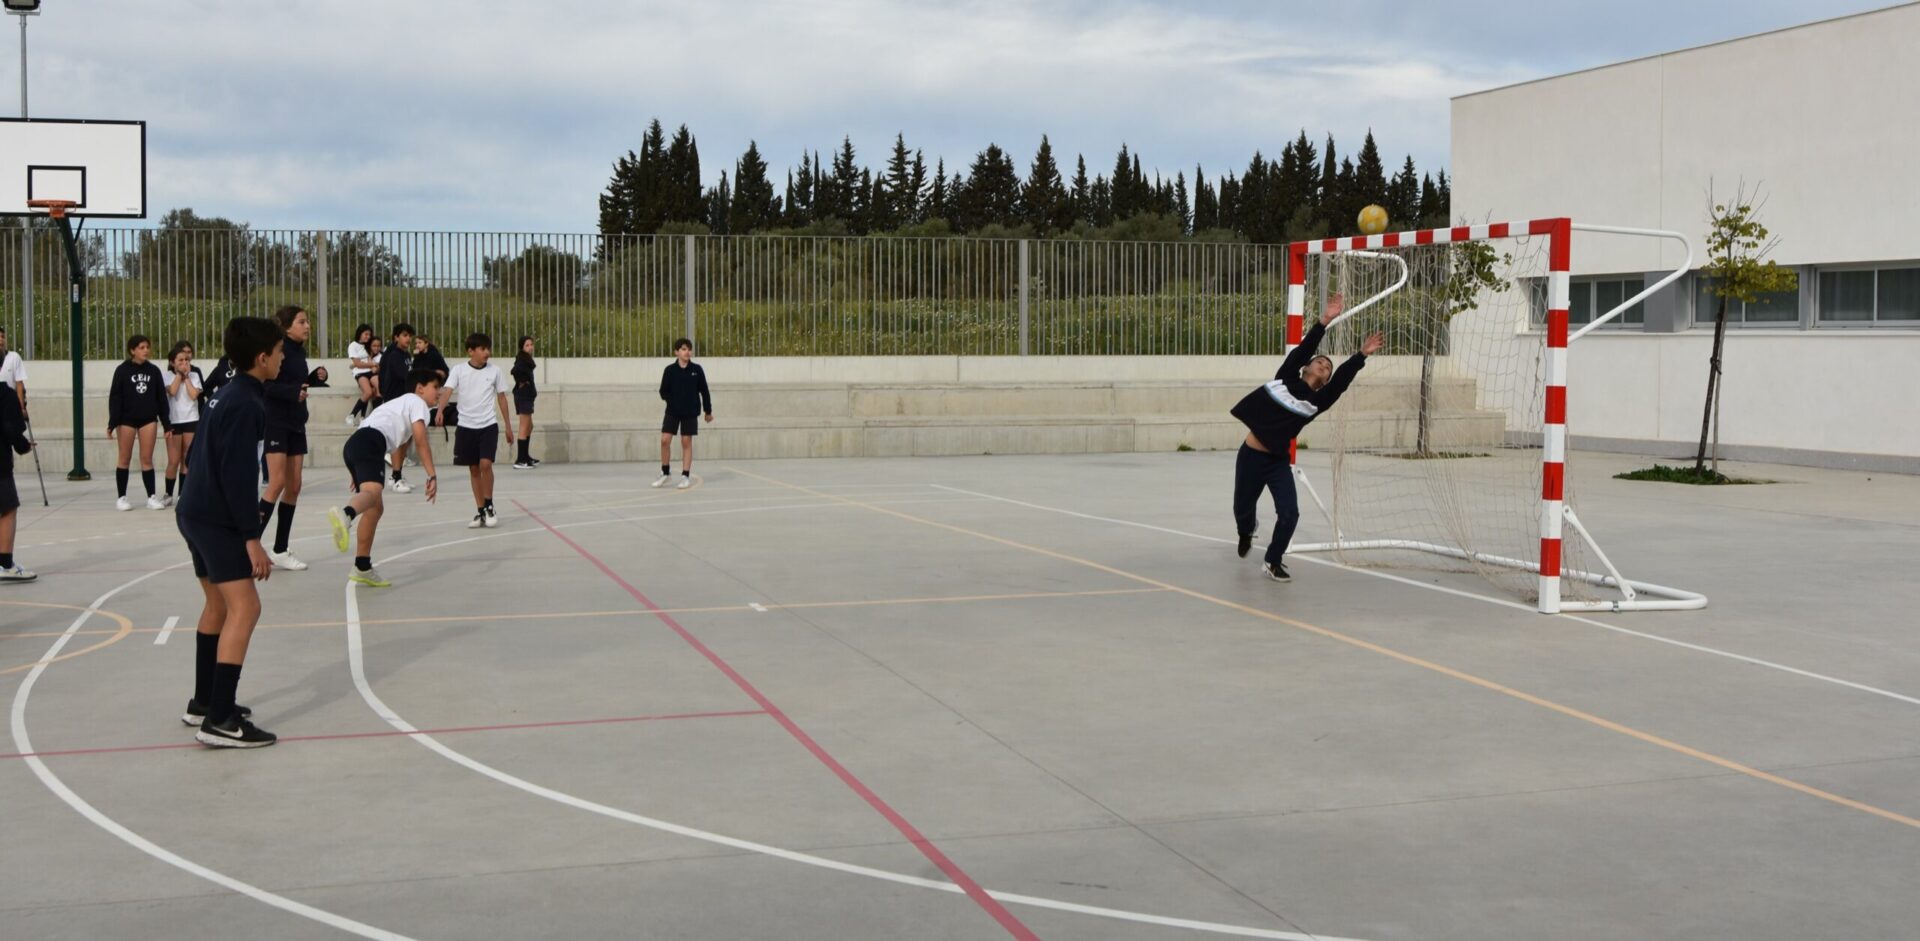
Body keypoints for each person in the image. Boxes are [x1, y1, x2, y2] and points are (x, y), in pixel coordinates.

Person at [176, 316, 283, 747]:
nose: (281, 359)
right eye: (278, 353)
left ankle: (204, 701)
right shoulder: (246, 404)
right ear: (262, 358)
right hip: (216, 518)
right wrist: (251, 537)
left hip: (194, 510)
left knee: (218, 607)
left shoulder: (226, 393)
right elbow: (238, 476)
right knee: (246, 608)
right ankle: (220, 720)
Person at [1228, 294, 1383, 582]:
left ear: (1324, 378)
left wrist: (1361, 355)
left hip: (1276, 462)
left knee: (1290, 514)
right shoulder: (1286, 377)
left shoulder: (1317, 402)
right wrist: (1325, 320)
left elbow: (1341, 383)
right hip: (1250, 455)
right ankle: (1245, 531)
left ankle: (1273, 560)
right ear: (1306, 368)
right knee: (1242, 508)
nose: (1324, 365)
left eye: (1328, 367)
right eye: (1320, 362)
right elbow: (1303, 349)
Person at [328, 369, 441, 588]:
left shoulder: (399, 405)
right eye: (435, 387)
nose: (439, 392)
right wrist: (432, 474)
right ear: (420, 388)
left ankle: (362, 566)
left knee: (374, 508)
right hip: (371, 443)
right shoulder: (417, 404)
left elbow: (398, 443)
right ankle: (346, 514)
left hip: (355, 445)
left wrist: (357, 474)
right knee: (372, 494)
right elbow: (420, 440)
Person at [438, 333, 513, 529]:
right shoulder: (459, 370)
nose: (487, 352)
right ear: (471, 351)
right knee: (473, 468)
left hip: (488, 425)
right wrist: (438, 411)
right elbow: (447, 391)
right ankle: (480, 511)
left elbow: (502, 398)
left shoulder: (495, 371)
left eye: (488, 348)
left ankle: (489, 505)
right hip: (466, 426)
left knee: (485, 464)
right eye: (482, 349)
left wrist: (508, 426)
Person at [261, 305, 314, 572]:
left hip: (296, 424)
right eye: (302, 321)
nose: (307, 326)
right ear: (286, 326)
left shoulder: (300, 351)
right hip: (276, 422)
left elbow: (295, 384)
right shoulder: (276, 350)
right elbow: (266, 386)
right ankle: (249, 545)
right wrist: (293, 393)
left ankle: (280, 549)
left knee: (294, 486)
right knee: (277, 483)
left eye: (308, 321)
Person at [108, 335, 171, 511]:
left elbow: (161, 399)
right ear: (132, 350)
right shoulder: (122, 370)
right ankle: (121, 497)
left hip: (148, 419)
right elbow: (115, 397)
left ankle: (151, 496)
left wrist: (167, 424)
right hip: (126, 420)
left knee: (146, 459)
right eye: (141, 347)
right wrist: (112, 423)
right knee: (124, 458)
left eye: (147, 347)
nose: (146, 350)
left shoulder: (154, 371)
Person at [654, 338, 712, 490]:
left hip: (690, 412)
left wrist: (708, 411)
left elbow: (704, 391)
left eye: (689, 349)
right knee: (664, 440)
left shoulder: (697, 370)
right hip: (672, 411)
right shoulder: (669, 370)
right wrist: (672, 401)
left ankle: (685, 476)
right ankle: (665, 473)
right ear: (677, 352)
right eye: (684, 349)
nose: (688, 352)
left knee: (686, 442)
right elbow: (663, 391)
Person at [0, 374, 33, 582]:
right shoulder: (6, 395)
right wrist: (24, 446)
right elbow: (11, 429)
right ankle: (5, 564)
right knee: (8, 509)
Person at [162, 342, 204, 506]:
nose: (184, 363)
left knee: (187, 459)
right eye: (180, 360)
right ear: (172, 362)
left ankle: (183, 494)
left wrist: (186, 378)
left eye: (187, 360)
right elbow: (172, 391)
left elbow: (194, 395)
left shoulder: (194, 376)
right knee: (173, 460)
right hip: (174, 421)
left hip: (191, 420)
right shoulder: (167, 376)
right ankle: (168, 493)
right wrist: (179, 375)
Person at [377, 323, 417, 492]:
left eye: (410, 336)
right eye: (405, 335)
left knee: (406, 439)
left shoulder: (405, 354)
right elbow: (405, 376)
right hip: (395, 401)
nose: (408, 339)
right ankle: (396, 477)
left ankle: (396, 475)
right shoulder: (393, 355)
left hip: (405, 400)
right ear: (396, 337)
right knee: (398, 440)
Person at [509, 335, 540, 469]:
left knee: (529, 426)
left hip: (527, 396)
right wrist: (523, 381)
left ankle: (525, 456)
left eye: (531, 344)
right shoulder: (521, 359)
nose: (530, 347)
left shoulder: (527, 359)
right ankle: (520, 460)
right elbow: (514, 371)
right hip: (523, 396)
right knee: (524, 427)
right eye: (527, 345)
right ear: (522, 347)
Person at [345, 324, 377, 426]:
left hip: (370, 372)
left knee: (373, 391)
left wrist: (373, 366)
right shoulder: (353, 346)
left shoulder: (368, 346)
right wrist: (371, 364)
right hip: (360, 373)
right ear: (360, 334)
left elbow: (370, 359)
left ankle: (363, 418)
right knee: (368, 392)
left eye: (369, 335)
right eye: (366, 334)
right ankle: (352, 415)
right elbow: (358, 364)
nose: (368, 336)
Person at [0, 326, 26, 413]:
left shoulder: (14, 357)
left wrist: (21, 408)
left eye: (3, 337)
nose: (1, 339)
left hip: (10, 405)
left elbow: (19, 384)